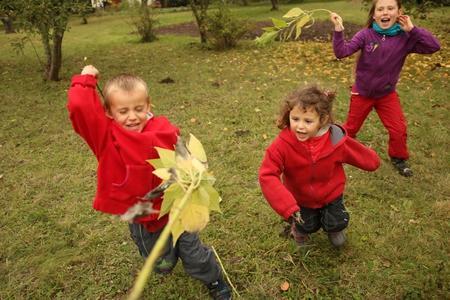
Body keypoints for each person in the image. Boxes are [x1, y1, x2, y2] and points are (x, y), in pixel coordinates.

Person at [67, 65, 231, 300]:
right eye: (123, 111)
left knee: (194, 254)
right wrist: (85, 80)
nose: (132, 116)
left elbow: (183, 157)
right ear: (109, 112)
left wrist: (192, 175)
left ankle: (213, 278)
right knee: (160, 262)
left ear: (148, 106)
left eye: (138, 108)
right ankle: (165, 258)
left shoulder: (163, 130)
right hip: (140, 212)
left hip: (175, 206)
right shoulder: (106, 137)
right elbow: (79, 108)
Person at [258, 85, 380, 247]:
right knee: (306, 224)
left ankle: (334, 229)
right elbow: (267, 174)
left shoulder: (335, 140)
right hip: (300, 198)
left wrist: (371, 161)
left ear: (322, 120)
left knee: (336, 220)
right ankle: (299, 232)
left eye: (308, 121)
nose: (300, 126)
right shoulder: (282, 145)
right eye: (295, 119)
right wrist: (286, 204)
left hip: (331, 193)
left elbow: (359, 155)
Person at [330, 0, 440, 177]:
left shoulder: (406, 38)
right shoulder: (365, 35)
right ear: (374, 15)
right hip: (362, 93)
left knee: (398, 129)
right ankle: (335, 151)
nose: (385, 12)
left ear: (399, 12)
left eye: (390, 8)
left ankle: (398, 158)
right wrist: (338, 29)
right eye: (380, 9)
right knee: (351, 128)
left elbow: (434, 46)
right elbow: (341, 52)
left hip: (386, 95)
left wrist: (413, 30)